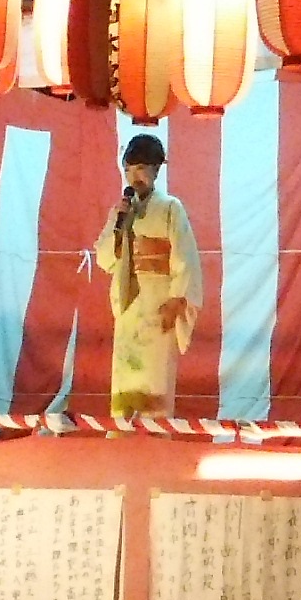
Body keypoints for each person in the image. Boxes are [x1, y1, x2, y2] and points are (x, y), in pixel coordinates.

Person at [93, 135, 202, 415]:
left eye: (141, 168)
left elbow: (185, 255)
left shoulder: (170, 207)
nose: (134, 176)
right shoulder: (121, 211)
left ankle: (155, 430)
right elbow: (106, 260)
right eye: (128, 169)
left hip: (159, 297)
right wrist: (118, 230)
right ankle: (123, 427)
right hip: (130, 295)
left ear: (156, 169)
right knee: (126, 365)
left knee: (155, 369)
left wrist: (178, 299)